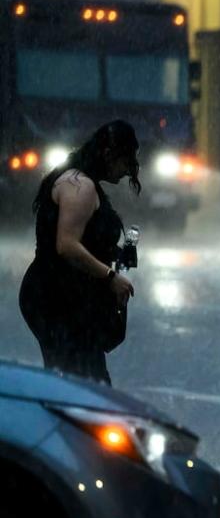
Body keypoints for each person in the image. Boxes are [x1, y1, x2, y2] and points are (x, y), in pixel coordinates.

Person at [19, 121, 140, 385]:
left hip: (58, 296)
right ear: (108, 154)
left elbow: (82, 240)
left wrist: (114, 254)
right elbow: (67, 245)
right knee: (85, 383)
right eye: (125, 162)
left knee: (71, 378)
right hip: (57, 298)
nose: (126, 172)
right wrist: (110, 276)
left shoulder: (79, 180)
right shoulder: (80, 187)